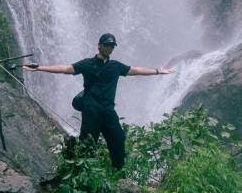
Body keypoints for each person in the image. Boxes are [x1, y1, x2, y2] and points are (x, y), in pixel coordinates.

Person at [24, 33, 173, 169]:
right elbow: (66, 68)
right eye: (107, 45)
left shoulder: (116, 66)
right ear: (99, 46)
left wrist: (158, 71)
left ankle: (118, 172)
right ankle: (82, 175)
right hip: (91, 110)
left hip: (108, 110)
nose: (109, 48)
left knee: (118, 139)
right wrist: (39, 68)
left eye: (112, 46)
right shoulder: (87, 64)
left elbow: (136, 70)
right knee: (88, 144)